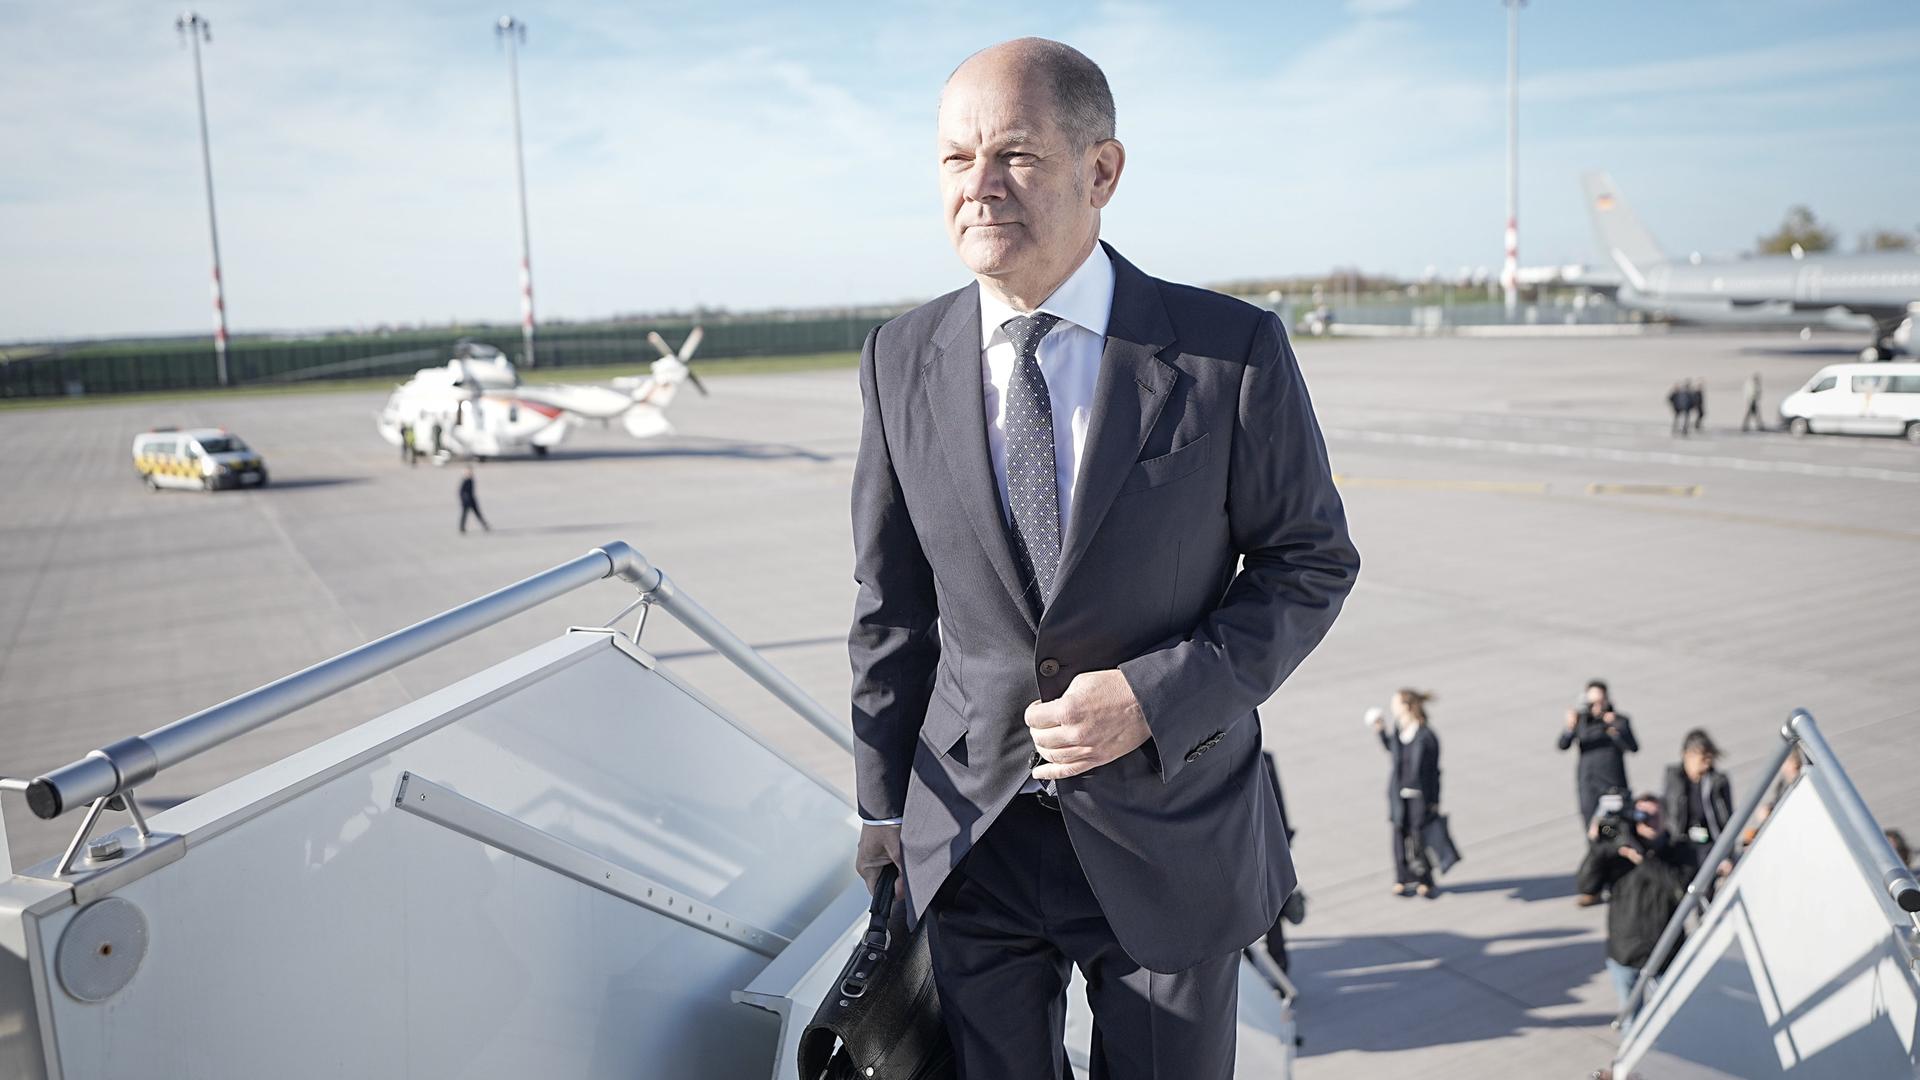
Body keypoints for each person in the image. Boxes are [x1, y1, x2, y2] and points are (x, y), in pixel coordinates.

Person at [847, 38, 1359, 1080]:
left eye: (1016, 157)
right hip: (973, 838)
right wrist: (880, 804)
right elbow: (890, 604)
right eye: (956, 161)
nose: (979, 188)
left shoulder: (1229, 351)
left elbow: (1310, 564)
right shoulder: (899, 356)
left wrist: (1152, 695)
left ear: (1102, 171)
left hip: (1170, 836)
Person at [1575, 793, 1692, 1017]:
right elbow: (1586, 886)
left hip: (1666, 954)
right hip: (1625, 955)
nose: (1647, 820)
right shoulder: (1619, 853)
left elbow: (1680, 888)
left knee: (1674, 1018)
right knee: (1630, 1020)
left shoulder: (1680, 852)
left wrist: (1641, 858)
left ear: (1666, 817)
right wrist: (1596, 848)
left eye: (1654, 815)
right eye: (1641, 815)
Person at [1371, 691, 1442, 898]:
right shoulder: (1400, 732)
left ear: (1407, 706)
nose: (1392, 708)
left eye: (1395, 703)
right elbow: (1392, 751)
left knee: (1418, 838)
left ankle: (1425, 879)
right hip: (1398, 795)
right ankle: (1401, 878)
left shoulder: (1426, 736)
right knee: (1398, 836)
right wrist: (1381, 732)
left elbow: (1434, 772)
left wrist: (1435, 801)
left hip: (1419, 796)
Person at [1559, 679, 1638, 828]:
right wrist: (1569, 727)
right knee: (1592, 828)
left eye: (1600, 702)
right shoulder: (1581, 721)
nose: (1597, 707)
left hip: (1613, 783)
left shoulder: (1619, 720)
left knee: (1619, 828)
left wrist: (1616, 729)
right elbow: (1562, 745)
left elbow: (1633, 747)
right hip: (1589, 784)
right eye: (1592, 703)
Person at [1663, 729, 1733, 873]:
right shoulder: (1674, 778)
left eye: (1709, 759)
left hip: (1710, 845)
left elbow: (1727, 819)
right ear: (1687, 755)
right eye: (1702, 759)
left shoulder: (1717, 781)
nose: (1706, 765)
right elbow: (1669, 814)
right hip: (1682, 845)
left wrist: (1726, 853)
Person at [1259, 752, 1297, 973]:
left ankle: (1280, 966)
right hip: (1248, 853)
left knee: (1273, 915)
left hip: (1268, 852)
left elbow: (1278, 807)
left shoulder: (1265, 759)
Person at [457, 466, 489, 534]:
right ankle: (462, 528)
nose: (470, 473)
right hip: (466, 502)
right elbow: (461, 492)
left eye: (471, 472)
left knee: (478, 513)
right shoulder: (465, 480)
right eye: (468, 472)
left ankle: (485, 525)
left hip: (472, 500)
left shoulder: (471, 479)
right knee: (464, 515)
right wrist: (464, 499)